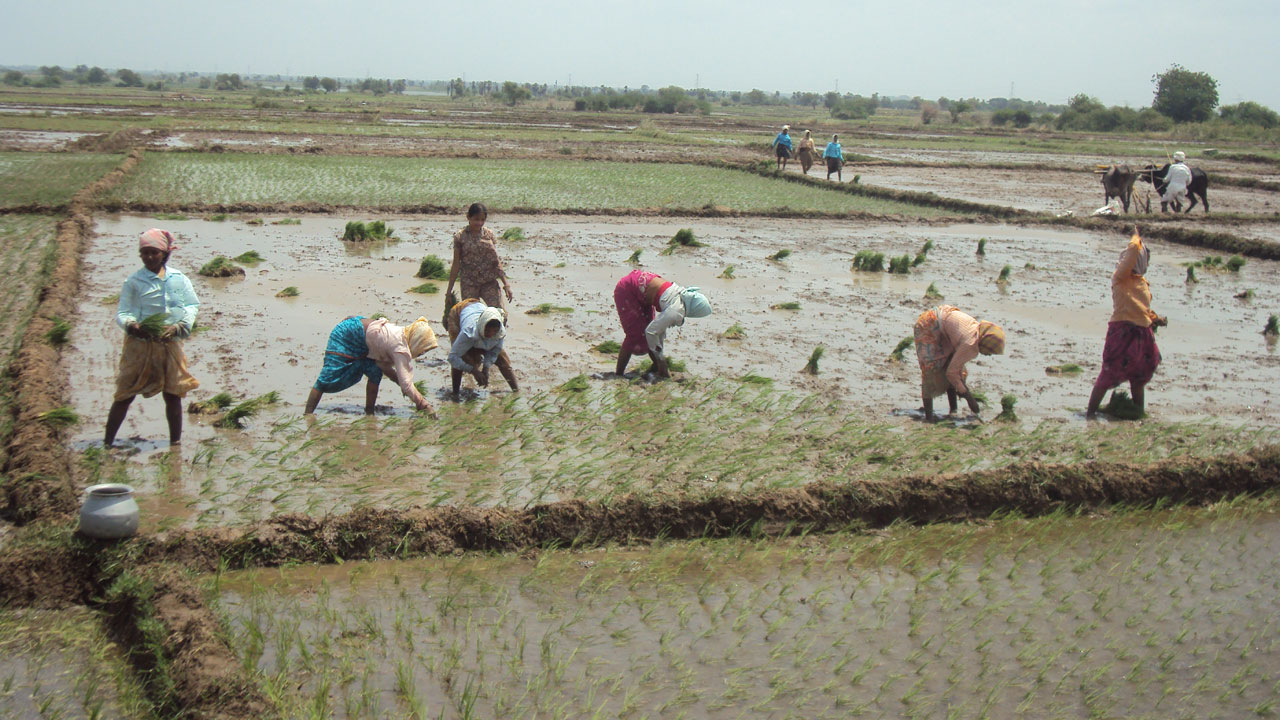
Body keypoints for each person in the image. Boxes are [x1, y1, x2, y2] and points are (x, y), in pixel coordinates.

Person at [104, 228, 200, 447]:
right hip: (139, 345)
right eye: (144, 253)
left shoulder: (178, 279)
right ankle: (107, 442)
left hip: (169, 343)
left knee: (173, 393)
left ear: (164, 254)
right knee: (125, 393)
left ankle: (175, 443)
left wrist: (180, 326)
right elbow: (123, 311)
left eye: (154, 253)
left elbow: (191, 304)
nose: (149, 257)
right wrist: (132, 325)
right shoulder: (134, 281)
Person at [1086, 227, 1166, 418]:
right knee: (1108, 374)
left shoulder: (1142, 282)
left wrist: (1155, 319)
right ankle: (1090, 414)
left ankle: (1138, 414)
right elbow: (1131, 253)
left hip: (1142, 334)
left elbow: (1141, 307)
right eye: (1146, 259)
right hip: (1123, 332)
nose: (1148, 264)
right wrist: (1136, 236)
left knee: (1139, 378)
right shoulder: (1120, 277)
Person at [304, 315, 437, 414]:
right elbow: (406, 384)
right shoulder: (400, 348)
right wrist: (423, 404)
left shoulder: (402, 333)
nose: (422, 353)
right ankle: (308, 414)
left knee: (375, 371)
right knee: (327, 378)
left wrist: (402, 384)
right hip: (346, 335)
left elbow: (384, 367)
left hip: (361, 335)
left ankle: (369, 412)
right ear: (417, 341)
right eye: (423, 349)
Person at [913, 305, 1005, 421]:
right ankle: (929, 418)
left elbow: (954, 368)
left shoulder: (976, 331)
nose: (989, 355)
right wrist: (969, 397)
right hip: (928, 325)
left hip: (942, 322)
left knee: (950, 362)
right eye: (990, 351)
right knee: (931, 369)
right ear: (984, 344)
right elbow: (951, 373)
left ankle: (953, 411)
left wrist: (961, 387)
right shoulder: (970, 344)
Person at [612, 269, 711, 378]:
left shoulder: (681, 297)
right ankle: (619, 374)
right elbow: (651, 332)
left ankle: (656, 367)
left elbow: (658, 331)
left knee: (648, 328)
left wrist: (659, 358)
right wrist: (661, 359)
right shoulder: (675, 311)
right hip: (628, 289)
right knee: (634, 335)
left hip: (641, 287)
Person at [445, 202, 513, 313]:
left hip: (489, 282)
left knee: (499, 314)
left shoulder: (489, 235)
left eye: (482, 220)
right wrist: (448, 292)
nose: (479, 223)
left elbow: (496, 261)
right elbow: (456, 265)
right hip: (469, 283)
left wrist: (506, 284)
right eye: (476, 219)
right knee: (471, 315)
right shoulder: (460, 237)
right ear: (468, 217)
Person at [446, 298, 517, 395]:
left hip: (478, 307)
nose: (490, 334)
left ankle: (516, 391)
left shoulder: (499, 333)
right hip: (459, 313)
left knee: (502, 359)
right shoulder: (468, 332)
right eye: (487, 331)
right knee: (463, 357)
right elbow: (453, 357)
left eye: (494, 331)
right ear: (482, 326)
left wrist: (486, 368)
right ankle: (455, 393)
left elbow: (494, 353)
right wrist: (473, 371)